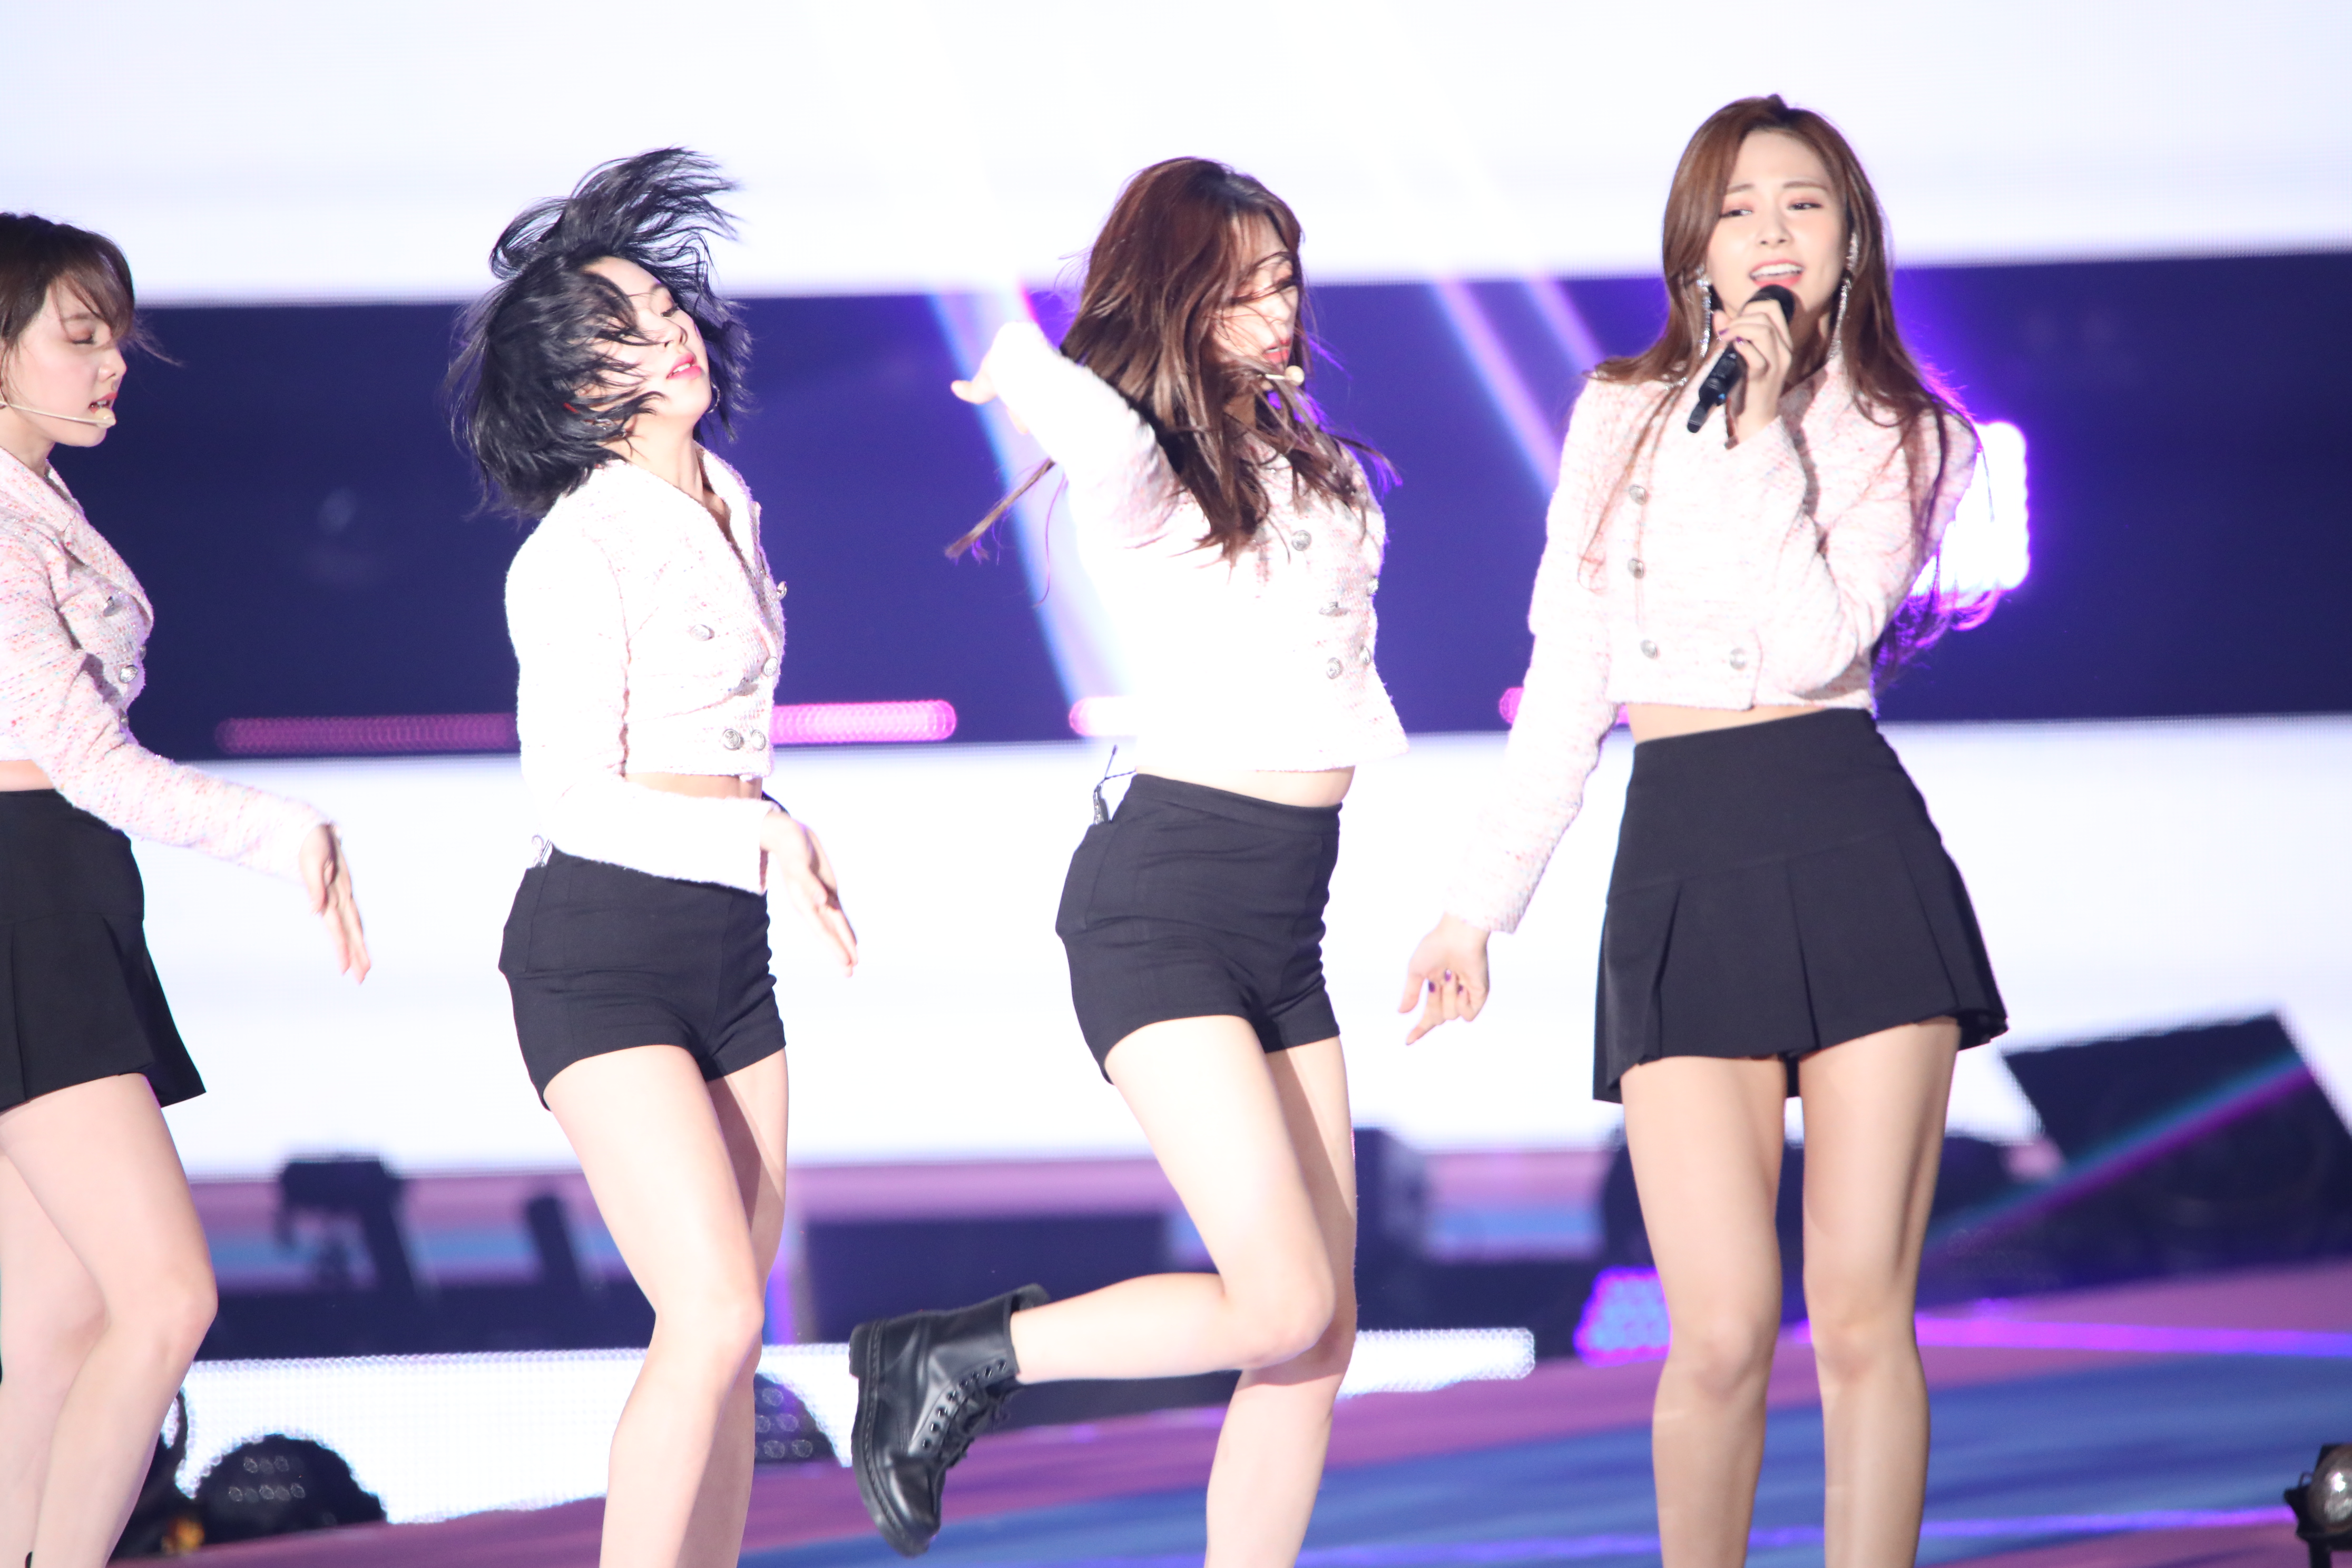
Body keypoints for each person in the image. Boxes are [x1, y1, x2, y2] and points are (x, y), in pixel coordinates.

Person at [1402, 96, 2007, 1568]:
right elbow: (1569, 680)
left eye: (1804, 205)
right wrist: (1478, 906)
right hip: (1683, 856)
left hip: (1849, 846)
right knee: (1722, 1329)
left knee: (1858, 1316)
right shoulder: (1618, 416)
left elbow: (1814, 644)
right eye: (1738, 208)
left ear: (1851, 241)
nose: (1771, 232)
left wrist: (1757, 431)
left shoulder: (1907, 433)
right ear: (1696, 249)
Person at [847, 158, 1404, 1564]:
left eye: (1285, 281)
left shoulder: (1309, 460)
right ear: (1178, 298)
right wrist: (1021, 360)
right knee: (1280, 1303)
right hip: (1166, 904)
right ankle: (958, 1356)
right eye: (1241, 288)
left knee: (1319, 1331)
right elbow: (1103, 443)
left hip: (1283, 916)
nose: (1278, 311)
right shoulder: (1150, 482)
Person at [450, 150, 856, 1568]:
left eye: (663, 306)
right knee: (713, 1312)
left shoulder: (729, 499)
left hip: (725, 949)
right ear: (575, 392)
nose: (668, 332)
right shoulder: (576, 549)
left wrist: (763, 833)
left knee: (738, 1339)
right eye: (620, 329)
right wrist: (763, 828)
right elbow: (574, 798)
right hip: (601, 951)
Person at [0, 213, 369, 1567]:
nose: (112, 368)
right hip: (29, 897)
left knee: (59, 1326)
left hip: (49, 889)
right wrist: (284, 830)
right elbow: (87, 761)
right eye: (80, 339)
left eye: (117, 341)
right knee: (163, 1298)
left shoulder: (35, 500)